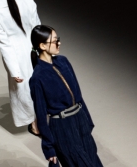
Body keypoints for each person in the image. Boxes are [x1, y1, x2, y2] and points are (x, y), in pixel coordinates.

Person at [29, 25, 103, 167]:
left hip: (80, 121)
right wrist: (49, 148)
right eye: (55, 40)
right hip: (63, 127)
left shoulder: (63, 61)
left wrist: (87, 121)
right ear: (42, 46)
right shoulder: (37, 78)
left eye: (58, 39)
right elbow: (41, 113)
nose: (59, 43)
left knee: (93, 160)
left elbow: (78, 94)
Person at [0, 0, 41, 135]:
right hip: (35, 48)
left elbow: (4, 44)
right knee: (40, 84)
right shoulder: (28, 2)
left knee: (24, 89)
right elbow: (38, 28)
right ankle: (45, 118)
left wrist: (14, 70)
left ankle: (35, 124)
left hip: (17, 55)